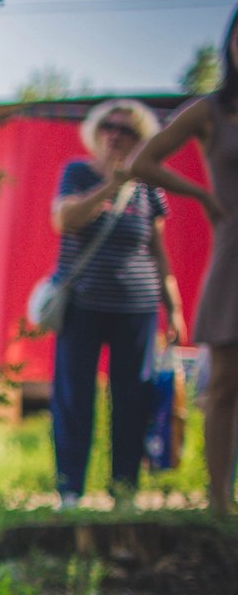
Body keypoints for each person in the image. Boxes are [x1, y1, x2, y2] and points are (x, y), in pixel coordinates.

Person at [46, 98, 187, 510]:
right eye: (108, 126)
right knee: (74, 397)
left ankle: (124, 492)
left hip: (137, 308)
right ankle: (69, 490)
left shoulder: (150, 189)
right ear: (96, 130)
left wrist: (173, 307)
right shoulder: (77, 174)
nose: (115, 135)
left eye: (126, 130)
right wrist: (113, 183)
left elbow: (158, 250)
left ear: (140, 138)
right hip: (82, 306)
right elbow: (64, 219)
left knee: (133, 399)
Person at [130, 8, 237, 517]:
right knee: (223, 385)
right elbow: (141, 162)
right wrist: (201, 193)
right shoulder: (211, 112)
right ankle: (219, 502)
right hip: (232, 253)